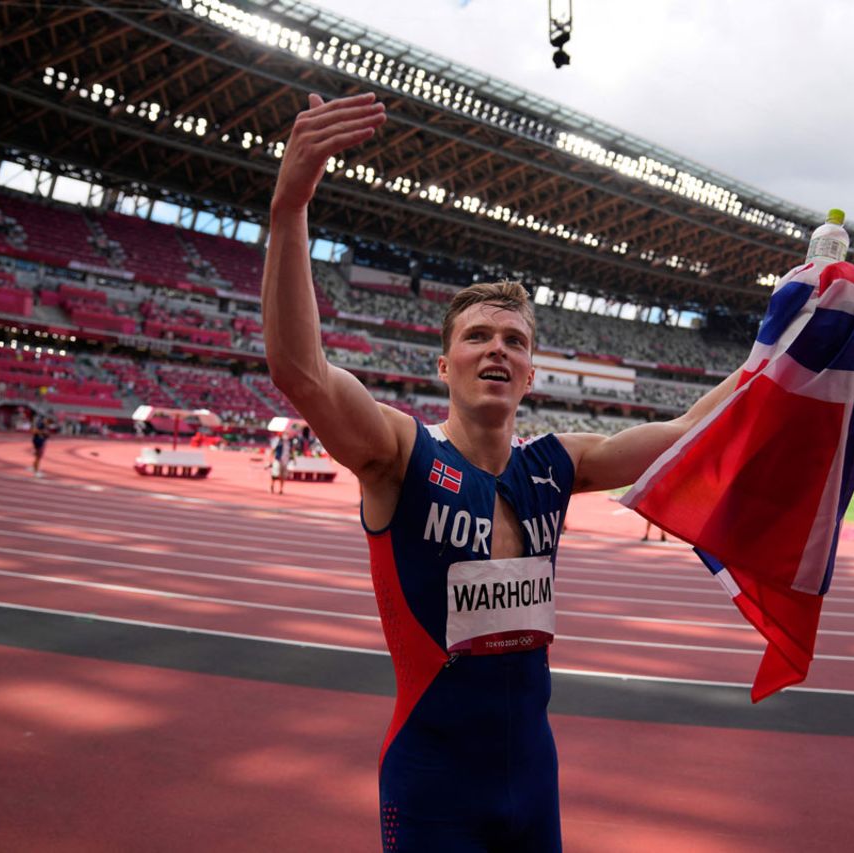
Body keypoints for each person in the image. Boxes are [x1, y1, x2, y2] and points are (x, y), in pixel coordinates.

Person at [262, 92, 744, 852]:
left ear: (529, 376)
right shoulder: (400, 455)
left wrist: (786, 341)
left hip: (534, 784)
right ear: (444, 363)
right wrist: (290, 209)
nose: (498, 349)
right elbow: (302, 372)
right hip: (432, 788)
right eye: (478, 336)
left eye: (514, 341)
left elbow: (690, 430)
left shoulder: (558, 467)